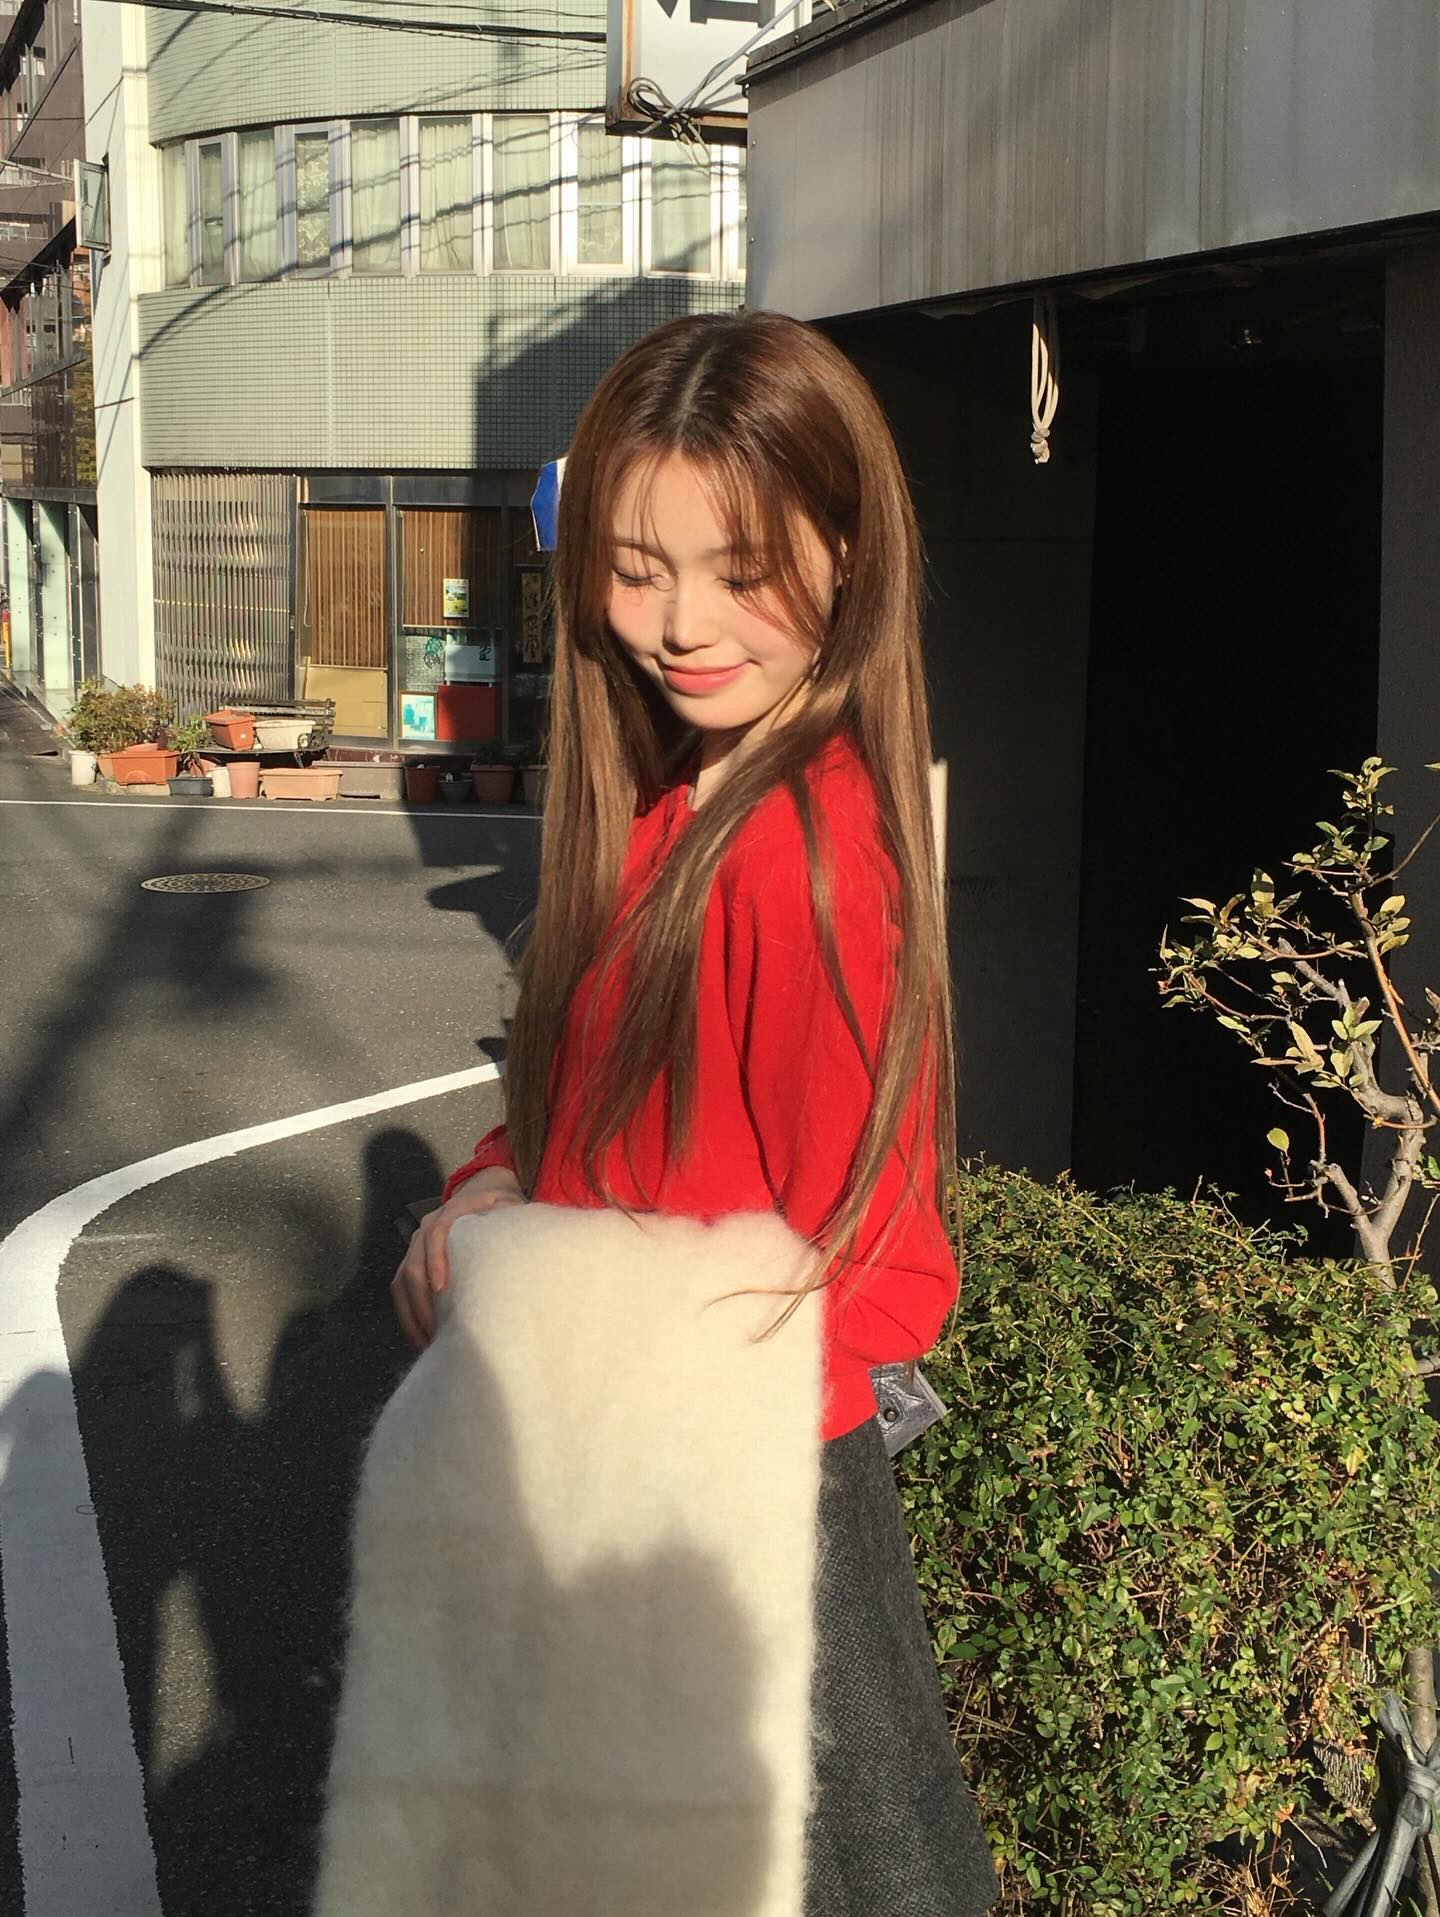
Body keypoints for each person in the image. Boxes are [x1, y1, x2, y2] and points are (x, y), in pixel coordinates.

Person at [389, 310, 998, 1916]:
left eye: (742, 567)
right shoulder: (681, 806)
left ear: (848, 554)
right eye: (636, 566)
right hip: (638, 1488)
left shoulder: (804, 855)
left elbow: (885, 1278)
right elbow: (574, 1123)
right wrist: (484, 1192)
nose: (679, 623)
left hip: (744, 1514)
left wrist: (545, 1289)